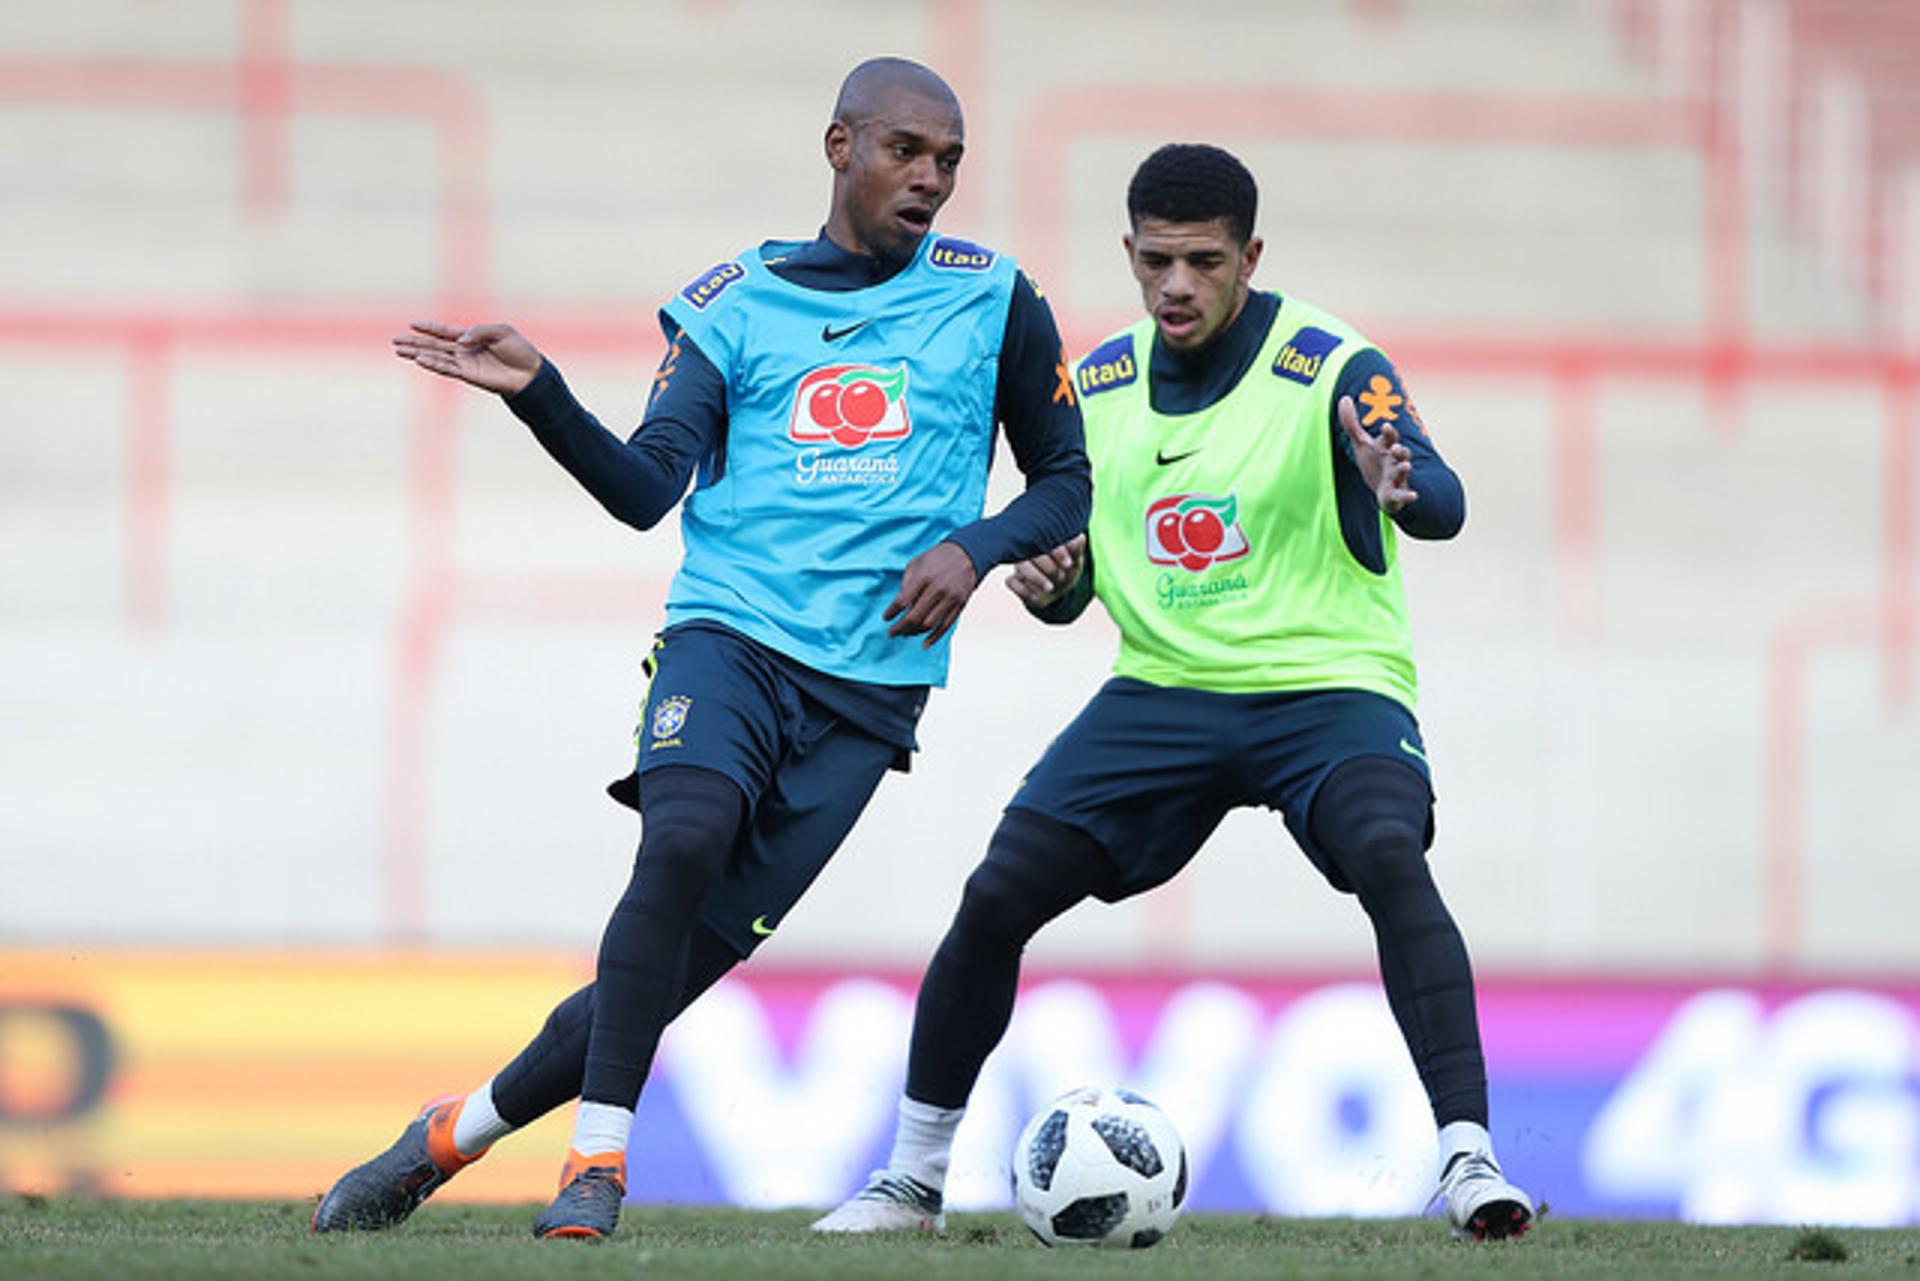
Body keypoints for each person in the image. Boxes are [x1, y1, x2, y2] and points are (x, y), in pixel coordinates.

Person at [311, 57, 1089, 1241]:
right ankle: (597, 1168)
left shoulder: (996, 299)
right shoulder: (734, 304)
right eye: (906, 152)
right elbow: (641, 490)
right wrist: (540, 395)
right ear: (840, 148)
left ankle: (442, 1138)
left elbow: (1067, 481)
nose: (930, 179)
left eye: (950, 161)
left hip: (870, 699)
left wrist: (976, 550)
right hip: (730, 637)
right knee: (681, 840)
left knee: (664, 976)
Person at [810, 143, 1534, 1242]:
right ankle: (911, 1180)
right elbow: (1076, 583)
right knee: (997, 894)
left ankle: (1469, 1160)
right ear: (1130, 255)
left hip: (1327, 685)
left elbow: (1438, 497)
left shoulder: (1336, 366)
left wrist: (1405, 487)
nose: (1177, 287)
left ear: (1250, 256)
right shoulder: (1096, 385)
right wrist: (1054, 585)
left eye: (1203, 262)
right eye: (1156, 263)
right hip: (1165, 691)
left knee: (1389, 855)